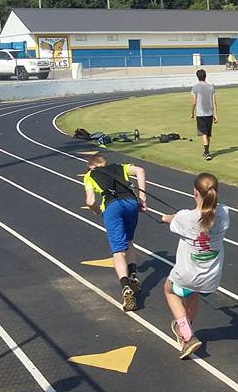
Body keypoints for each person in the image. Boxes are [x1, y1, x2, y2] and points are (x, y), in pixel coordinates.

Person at [158, 173, 229, 359]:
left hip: (187, 273)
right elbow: (203, 216)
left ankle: (187, 335)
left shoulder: (185, 217)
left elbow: (173, 219)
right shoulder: (224, 212)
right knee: (193, 294)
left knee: (169, 291)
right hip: (211, 276)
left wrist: (165, 217)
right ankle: (186, 327)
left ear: (195, 192)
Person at [83, 154, 147, 311]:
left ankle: (126, 287)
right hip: (131, 202)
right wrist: (142, 197)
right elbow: (140, 170)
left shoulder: (89, 175)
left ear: (91, 166)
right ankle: (133, 275)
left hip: (112, 207)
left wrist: (97, 211)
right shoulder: (120, 167)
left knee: (118, 250)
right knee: (129, 241)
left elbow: (90, 201)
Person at [191, 69, 218, 161]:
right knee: (208, 134)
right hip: (209, 113)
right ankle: (206, 151)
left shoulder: (195, 88)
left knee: (204, 133)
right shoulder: (211, 87)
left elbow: (194, 102)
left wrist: (192, 112)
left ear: (197, 77)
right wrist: (215, 114)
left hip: (200, 114)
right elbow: (214, 102)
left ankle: (207, 152)